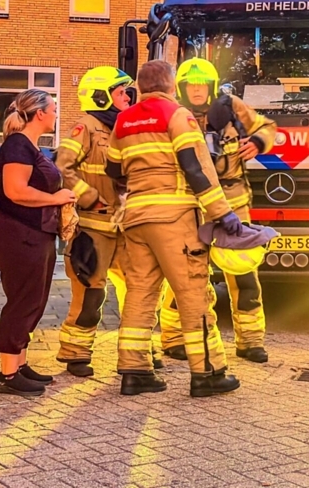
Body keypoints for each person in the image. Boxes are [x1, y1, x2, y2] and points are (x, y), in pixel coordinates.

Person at [106, 60, 243, 397]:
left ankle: (135, 372)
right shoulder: (176, 115)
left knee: (139, 293)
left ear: (140, 87)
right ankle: (207, 373)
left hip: (136, 219)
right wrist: (223, 213)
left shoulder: (124, 119)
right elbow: (196, 169)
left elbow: (112, 168)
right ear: (171, 86)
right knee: (192, 293)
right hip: (175, 218)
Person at [159, 58, 276, 363]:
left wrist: (258, 142)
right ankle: (173, 339)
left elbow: (267, 126)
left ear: (211, 86)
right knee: (184, 276)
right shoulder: (173, 113)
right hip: (191, 206)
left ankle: (250, 341)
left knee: (244, 275)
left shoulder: (231, 107)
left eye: (202, 84)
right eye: (190, 84)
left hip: (234, 202)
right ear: (181, 87)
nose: (196, 90)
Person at [0, 89, 75, 397]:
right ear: (39, 113)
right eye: (53, 109)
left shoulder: (30, 146)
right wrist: (55, 197)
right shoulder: (17, 146)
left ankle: (20, 364)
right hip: (18, 233)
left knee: (34, 300)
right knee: (23, 301)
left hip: (37, 233)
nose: (55, 114)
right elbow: (15, 190)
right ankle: (8, 375)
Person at [55, 67, 134, 377]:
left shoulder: (127, 128)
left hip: (125, 228)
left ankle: (138, 354)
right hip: (93, 229)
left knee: (141, 291)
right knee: (91, 294)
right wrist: (87, 196)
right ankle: (75, 354)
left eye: (127, 91)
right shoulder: (86, 127)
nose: (127, 97)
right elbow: (64, 165)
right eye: (120, 92)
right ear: (101, 97)